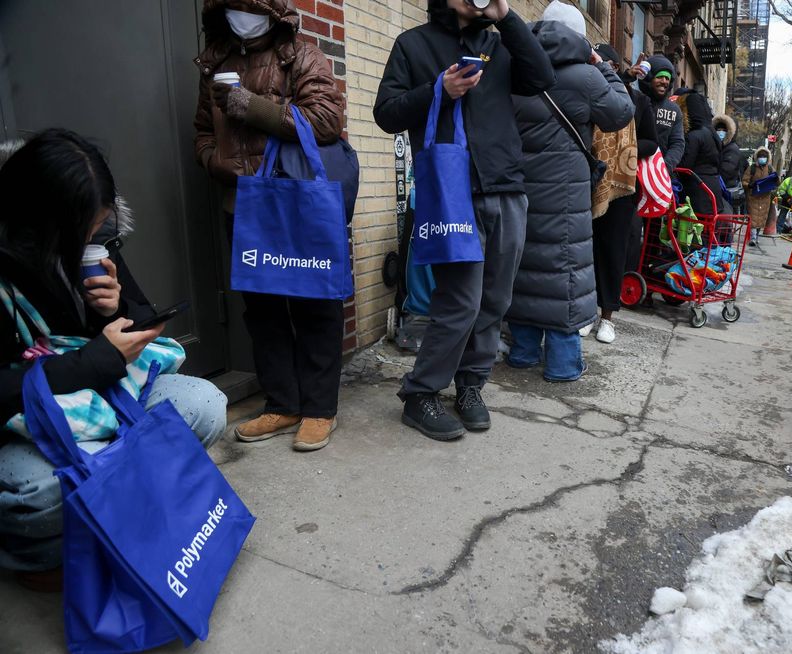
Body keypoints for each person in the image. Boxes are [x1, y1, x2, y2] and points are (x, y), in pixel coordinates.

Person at [0, 130, 226, 587]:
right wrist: (94, 360)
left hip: (101, 395)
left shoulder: (94, 242)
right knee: (41, 495)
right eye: (80, 230)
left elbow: (138, 320)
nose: (91, 238)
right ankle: (42, 559)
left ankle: (121, 524)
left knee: (205, 405)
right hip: (25, 420)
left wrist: (112, 307)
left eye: (98, 225)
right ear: (37, 222)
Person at [374, 0, 554, 440]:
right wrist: (437, 90)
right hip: (454, 195)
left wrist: (507, 15)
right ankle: (420, 393)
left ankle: (471, 386)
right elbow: (386, 113)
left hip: (507, 187)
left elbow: (542, 79)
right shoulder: (413, 44)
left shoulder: (500, 41)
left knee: (494, 300)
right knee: (462, 301)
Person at [193, 0, 346, 452]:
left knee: (314, 304)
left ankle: (319, 407)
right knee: (263, 310)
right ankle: (283, 403)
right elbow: (202, 131)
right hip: (242, 205)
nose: (241, 16)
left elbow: (326, 122)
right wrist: (218, 163)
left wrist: (251, 105)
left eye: (249, 7)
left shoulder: (300, 54)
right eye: (232, 7)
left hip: (294, 201)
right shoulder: (214, 63)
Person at [505, 7, 633, 378]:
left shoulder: (514, 69)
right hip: (566, 193)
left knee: (526, 267)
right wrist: (603, 65)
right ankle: (561, 365)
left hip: (520, 187)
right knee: (566, 271)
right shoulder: (586, 77)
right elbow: (620, 112)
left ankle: (523, 353)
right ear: (578, 38)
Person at [582, 43, 657, 344]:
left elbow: (652, 142)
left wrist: (627, 148)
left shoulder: (638, 101)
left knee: (614, 251)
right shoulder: (588, 95)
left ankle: (607, 317)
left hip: (623, 186)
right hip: (590, 182)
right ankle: (587, 313)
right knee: (587, 250)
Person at [624, 54, 685, 279]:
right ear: (649, 78)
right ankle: (627, 275)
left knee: (654, 232)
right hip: (631, 176)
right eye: (660, 77)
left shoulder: (674, 111)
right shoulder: (637, 100)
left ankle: (646, 278)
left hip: (657, 181)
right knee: (631, 229)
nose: (664, 82)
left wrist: (664, 168)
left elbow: (678, 142)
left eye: (668, 79)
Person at [675, 91, 724, 217]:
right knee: (706, 231)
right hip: (712, 190)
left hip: (696, 193)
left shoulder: (694, 136)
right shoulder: (712, 134)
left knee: (694, 233)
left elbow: (686, 165)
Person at [742, 146, 776, 246]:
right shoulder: (752, 168)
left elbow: (776, 181)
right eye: (760, 156)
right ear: (757, 157)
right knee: (753, 217)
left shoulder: (770, 168)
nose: (762, 158)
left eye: (764, 156)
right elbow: (744, 181)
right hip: (753, 197)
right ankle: (752, 238)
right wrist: (749, 185)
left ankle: (756, 237)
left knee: (762, 218)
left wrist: (775, 180)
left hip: (765, 197)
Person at [714, 113, 746, 214]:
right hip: (721, 190)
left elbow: (726, 171)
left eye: (723, 130)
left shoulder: (732, 149)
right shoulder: (720, 146)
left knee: (726, 219)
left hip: (727, 191)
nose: (720, 133)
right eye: (718, 130)